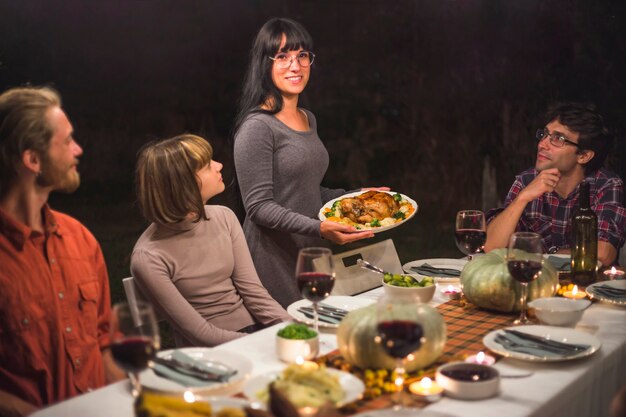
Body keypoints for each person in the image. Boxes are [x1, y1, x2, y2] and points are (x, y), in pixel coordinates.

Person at [233, 17, 380, 307]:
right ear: (265, 64)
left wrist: (358, 196)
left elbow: (307, 190)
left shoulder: (307, 118)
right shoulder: (257, 127)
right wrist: (319, 228)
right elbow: (259, 207)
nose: (295, 65)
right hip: (272, 260)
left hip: (309, 252)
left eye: (302, 55)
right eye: (283, 56)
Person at [0, 86, 122, 416]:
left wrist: (133, 395)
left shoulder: (81, 240)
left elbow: (102, 338)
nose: (78, 150)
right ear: (33, 159)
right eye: (67, 141)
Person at [131, 134, 290, 347]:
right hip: (210, 354)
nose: (219, 165)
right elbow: (201, 334)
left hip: (255, 335)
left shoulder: (224, 217)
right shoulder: (148, 256)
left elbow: (255, 295)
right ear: (182, 184)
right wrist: (265, 343)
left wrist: (292, 329)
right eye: (206, 166)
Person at [485, 102, 626, 266]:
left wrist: (548, 255)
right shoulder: (527, 181)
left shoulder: (606, 186)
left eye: (557, 139)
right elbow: (491, 247)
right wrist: (522, 198)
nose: (542, 144)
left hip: (588, 286)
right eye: (545, 134)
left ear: (584, 156)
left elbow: (603, 254)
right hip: (535, 285)